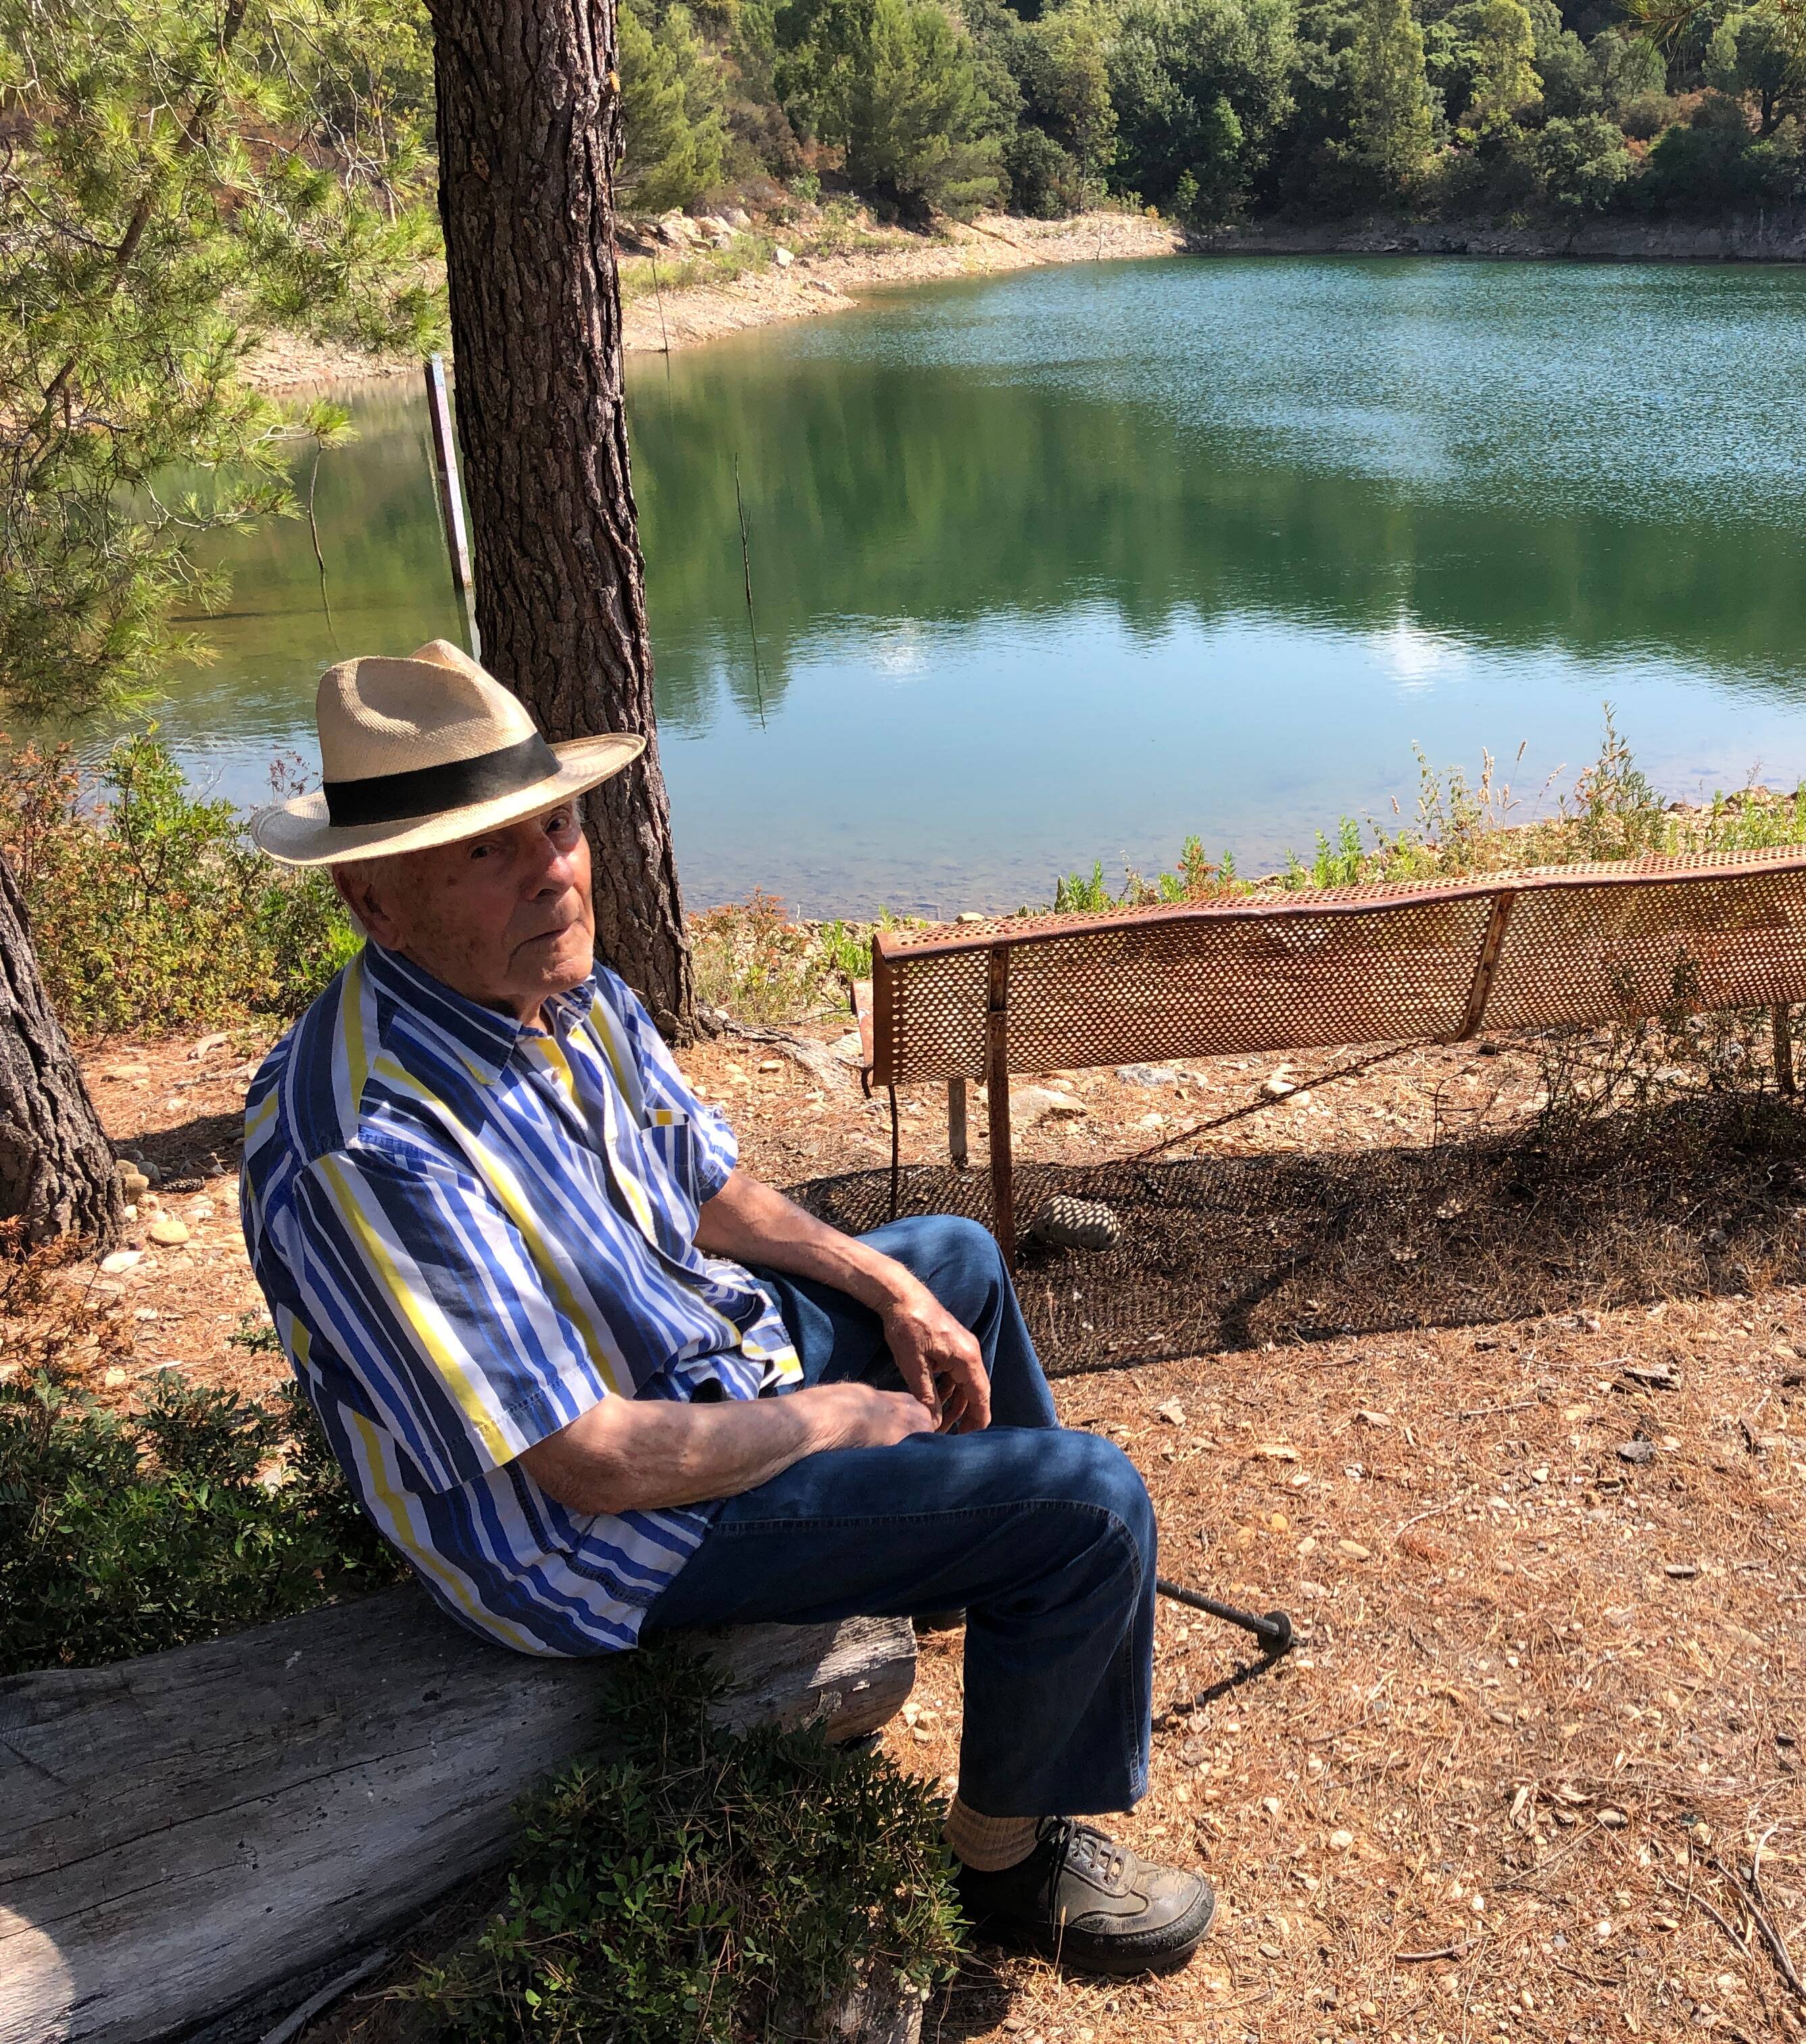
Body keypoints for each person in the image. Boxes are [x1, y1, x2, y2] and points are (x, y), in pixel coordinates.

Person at [239, 640, 1213, 1975]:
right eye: (486, 852)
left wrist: (888, 1287)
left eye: (559, 825)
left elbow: (703, 1189)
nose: (555, 872)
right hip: (577, 1543)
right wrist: (826, 1422)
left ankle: (987, 1587)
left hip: (683, 1376)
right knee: (1088, 1504)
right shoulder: (374, 1142)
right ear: (371, 898)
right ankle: (1008, 1866)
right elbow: (586, 1463)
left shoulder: (551, 991)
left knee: (958, 1267)